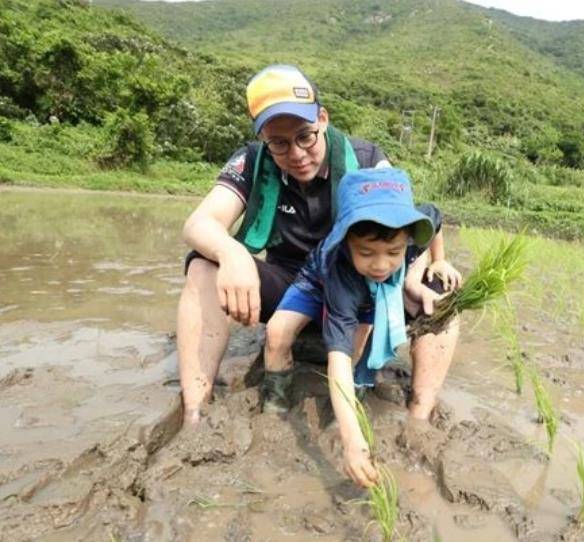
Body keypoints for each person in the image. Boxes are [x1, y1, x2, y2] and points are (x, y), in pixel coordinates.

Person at [177, 64, 391, 426]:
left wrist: (431, 265)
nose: (295, 153)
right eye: (279, 142)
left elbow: (398, 229)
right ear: (264, 139)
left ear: (322, 119)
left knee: (437, 288)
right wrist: (232, 253)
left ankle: (420, 414)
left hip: (350, 291)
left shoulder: (367, 161)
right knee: (202, 263)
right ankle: (194, 412)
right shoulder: (252, 161)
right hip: (287, 291)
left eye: (305, 136)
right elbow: (199, 223)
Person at [265, 167, 461, 487]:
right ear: (346, 241)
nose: (381, 264)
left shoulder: (410, 230)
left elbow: (434, 217)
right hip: (316, 281)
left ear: (408, 237)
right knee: (277, 335)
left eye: (393, 253)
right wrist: (353, 442)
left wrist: (439, 259)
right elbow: (337, 360)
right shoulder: (343, 274)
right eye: (366, 252)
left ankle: (349, 404)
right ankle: (273, 406)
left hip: (367, 289)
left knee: (360, 341)